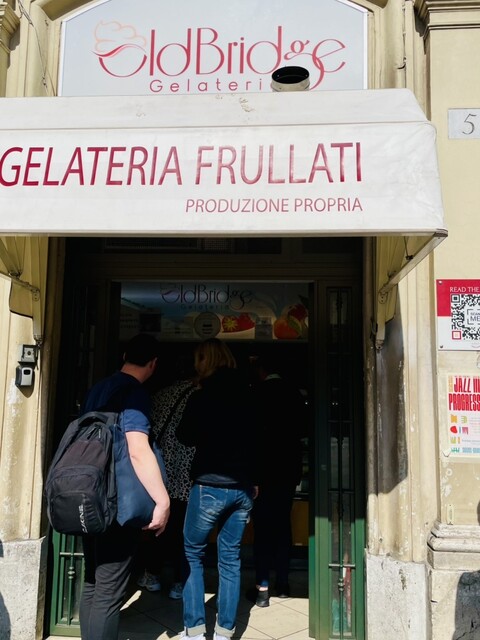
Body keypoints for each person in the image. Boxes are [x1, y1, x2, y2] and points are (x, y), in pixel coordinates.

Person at [79, 333, 170, 640]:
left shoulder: (98, 389)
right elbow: (137, 450)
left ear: (124, 357)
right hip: (115, 501)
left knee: (93, 582)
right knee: (109, 591)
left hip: (89, 494)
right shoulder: (135, 393)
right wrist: (162, 501)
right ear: (153, 364)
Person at [176, 338, 259, 640]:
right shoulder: (250, 395)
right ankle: (224, 631)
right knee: (231, 559)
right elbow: (260, 440)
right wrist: (254, 479)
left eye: (198, 358)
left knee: (192, 554)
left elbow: (184, 435)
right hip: (242, 487)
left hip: (209, 484)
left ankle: (195, 630)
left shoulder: (202, 396)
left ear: (205, 361)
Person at [247, 354, 307, 608]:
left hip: (262, 472)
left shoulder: (256, 393)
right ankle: (283, 583)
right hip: (288, 469)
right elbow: (303, 430)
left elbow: (250, 433)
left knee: (262, 528)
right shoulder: (295, 394)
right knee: (283, 525)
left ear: (261, 370)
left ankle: (262, 588)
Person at [136, 356, 198, 598]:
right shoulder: (199, 395)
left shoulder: (160, 395)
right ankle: (180, 583)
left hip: (160, 472)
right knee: (185, 530)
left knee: (158, 528)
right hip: (187, 476)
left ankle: (152, 575)